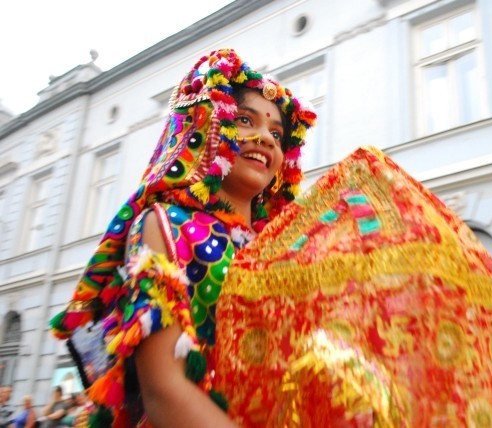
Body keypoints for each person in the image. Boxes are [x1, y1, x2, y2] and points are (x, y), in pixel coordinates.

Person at [49, 48, 316, 427]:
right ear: (206, 128)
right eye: (244, 120)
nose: (266, 139)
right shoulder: (164, 226)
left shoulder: (282, 248)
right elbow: (164, 390)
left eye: (276, 133)